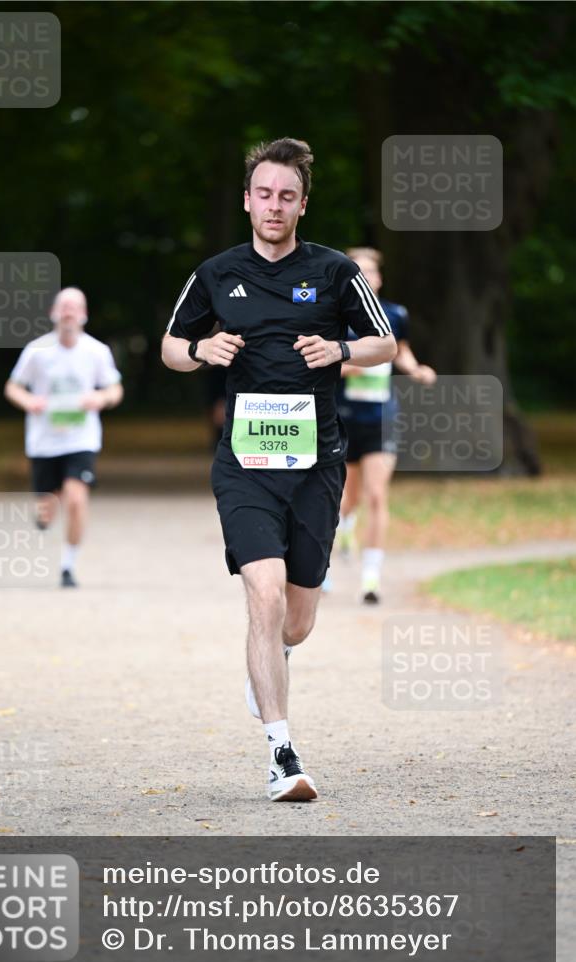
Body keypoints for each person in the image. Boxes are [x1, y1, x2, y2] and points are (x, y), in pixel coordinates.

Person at [161, 138, 396, 802]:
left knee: (295, 621)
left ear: (301, 204)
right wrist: (202, 349)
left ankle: (276, 657)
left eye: (285, 196)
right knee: (261, 597)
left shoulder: (335, 272)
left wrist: (342, 348)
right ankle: (281, 753)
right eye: (263, 193)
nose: (273, 205)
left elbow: (386, 343)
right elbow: (170, 347)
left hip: (317, 463)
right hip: (244, 464)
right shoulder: (214, 273)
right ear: (246, 200)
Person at [334, 247, 436, 603]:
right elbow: (322, 363)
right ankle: (343, 527)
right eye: (356, 271)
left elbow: (401, 350)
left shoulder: (395, 314)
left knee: (376, 495)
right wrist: (351, 366)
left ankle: (370, 579)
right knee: (349, 497)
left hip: (382, 417)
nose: (365, 277)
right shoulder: (335, 315)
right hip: (343, 418)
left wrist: (415, 369)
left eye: (370, 272)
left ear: (379, 278)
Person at [4, 287, 123, 587]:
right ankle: (47, 507)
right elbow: (13, 387)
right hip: (43, 440)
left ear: (83, 315)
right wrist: (28, 402)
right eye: (64, 307)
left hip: (81, 439)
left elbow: (114, 389)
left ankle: (68, 566)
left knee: (76, 499)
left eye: (75, 307)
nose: (69, 312)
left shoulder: (97, 351)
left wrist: (100, 398)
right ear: (54, 314)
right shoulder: (36, 351)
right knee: (47, 504)